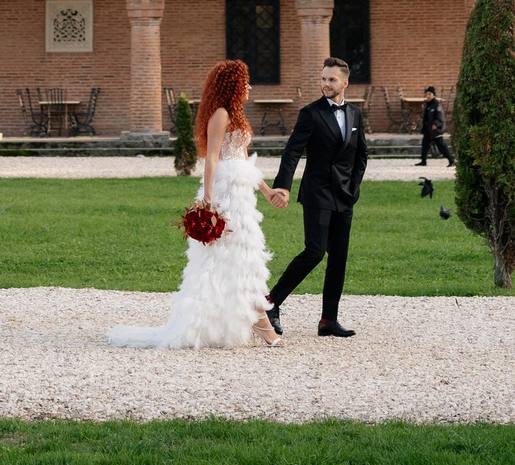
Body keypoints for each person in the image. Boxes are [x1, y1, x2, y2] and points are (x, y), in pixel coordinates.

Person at [109, 60, 285, 349]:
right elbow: (213, 157)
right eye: (245, 82)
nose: (250, 87)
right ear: (233, 85)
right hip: (225, 194)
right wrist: (207, 199)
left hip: (242, 196)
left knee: (246, 255)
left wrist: (266, 191)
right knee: (226, 256)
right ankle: (260, 323)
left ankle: (255, 318)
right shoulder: (221, 114)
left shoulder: (237, 116)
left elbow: (243, 159)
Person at [264, 56, 368, 338]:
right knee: (314, 251)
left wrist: (354, 187)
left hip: (344, 197)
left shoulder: (356, 114)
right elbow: (292, 151)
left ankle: (328, 321)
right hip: (317, 194)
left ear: (345, 83)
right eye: (323, 79)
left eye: (331, 79)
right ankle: (270, 304)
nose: (326, 84)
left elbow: (361, 154)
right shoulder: (310, 113)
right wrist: (283, 185)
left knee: (339, 258)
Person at [416, 85, 453, 166]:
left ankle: (451, 160)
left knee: (441, 146)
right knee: (425, 145)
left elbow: (440, 116)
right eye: (427, 94)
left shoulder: (437, 104)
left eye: (430, 94)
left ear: (434, 95)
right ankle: (423, 161)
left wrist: (436, 124)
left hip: (435, 130)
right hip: (428, 130)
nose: (428, 96)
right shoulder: (428, 105)